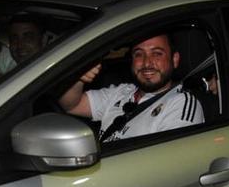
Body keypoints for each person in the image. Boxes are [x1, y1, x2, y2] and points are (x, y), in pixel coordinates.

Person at [59, 33, 204, 143]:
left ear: (175, 60)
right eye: (139, 54)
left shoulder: (180, 104)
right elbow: (72, 105)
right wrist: (78, 79)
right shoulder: (121, 92)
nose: (147, 63)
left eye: (157, 53)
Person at [0, 13, 46, 83]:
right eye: (14, 38)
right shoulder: (10, 59)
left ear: (42, 40)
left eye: (28, 38)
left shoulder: (51, 70)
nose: (19, 45)